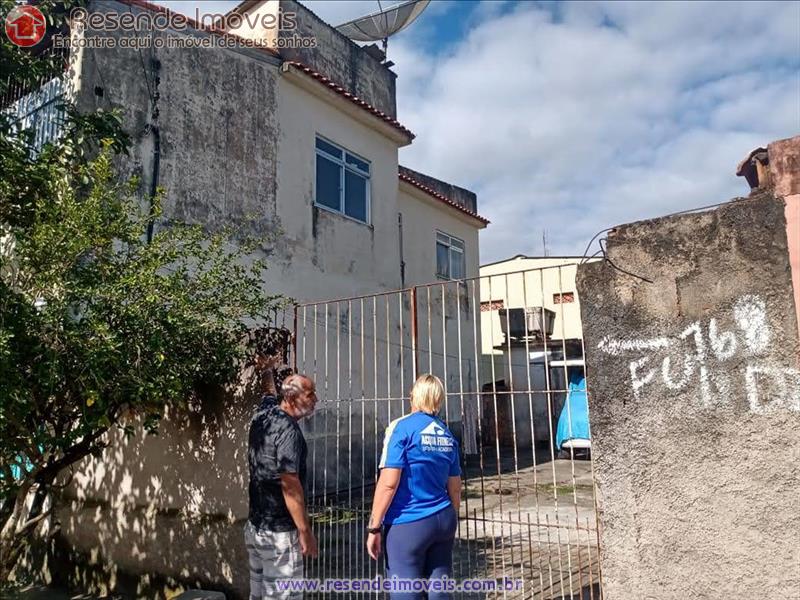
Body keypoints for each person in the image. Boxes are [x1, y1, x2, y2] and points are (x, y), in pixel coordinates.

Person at [366, 374, 462, 600]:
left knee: (405, 589)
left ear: (413, 396)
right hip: (444, 518)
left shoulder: (401, 428)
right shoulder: (446, 433)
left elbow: (389, 483)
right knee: (439, 589)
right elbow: (455, 487)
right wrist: (452, 518)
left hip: (408, 522)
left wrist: (374, 527)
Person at [246, 356, 319, 600]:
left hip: (256, 528)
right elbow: (290, 485)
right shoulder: (289, 432)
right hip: (279, 535)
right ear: (291, 398)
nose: (316, 399)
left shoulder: (265, 414)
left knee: (258, 594)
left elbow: (268, 392)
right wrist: (304, 530)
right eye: (310, 394)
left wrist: (267, 370)